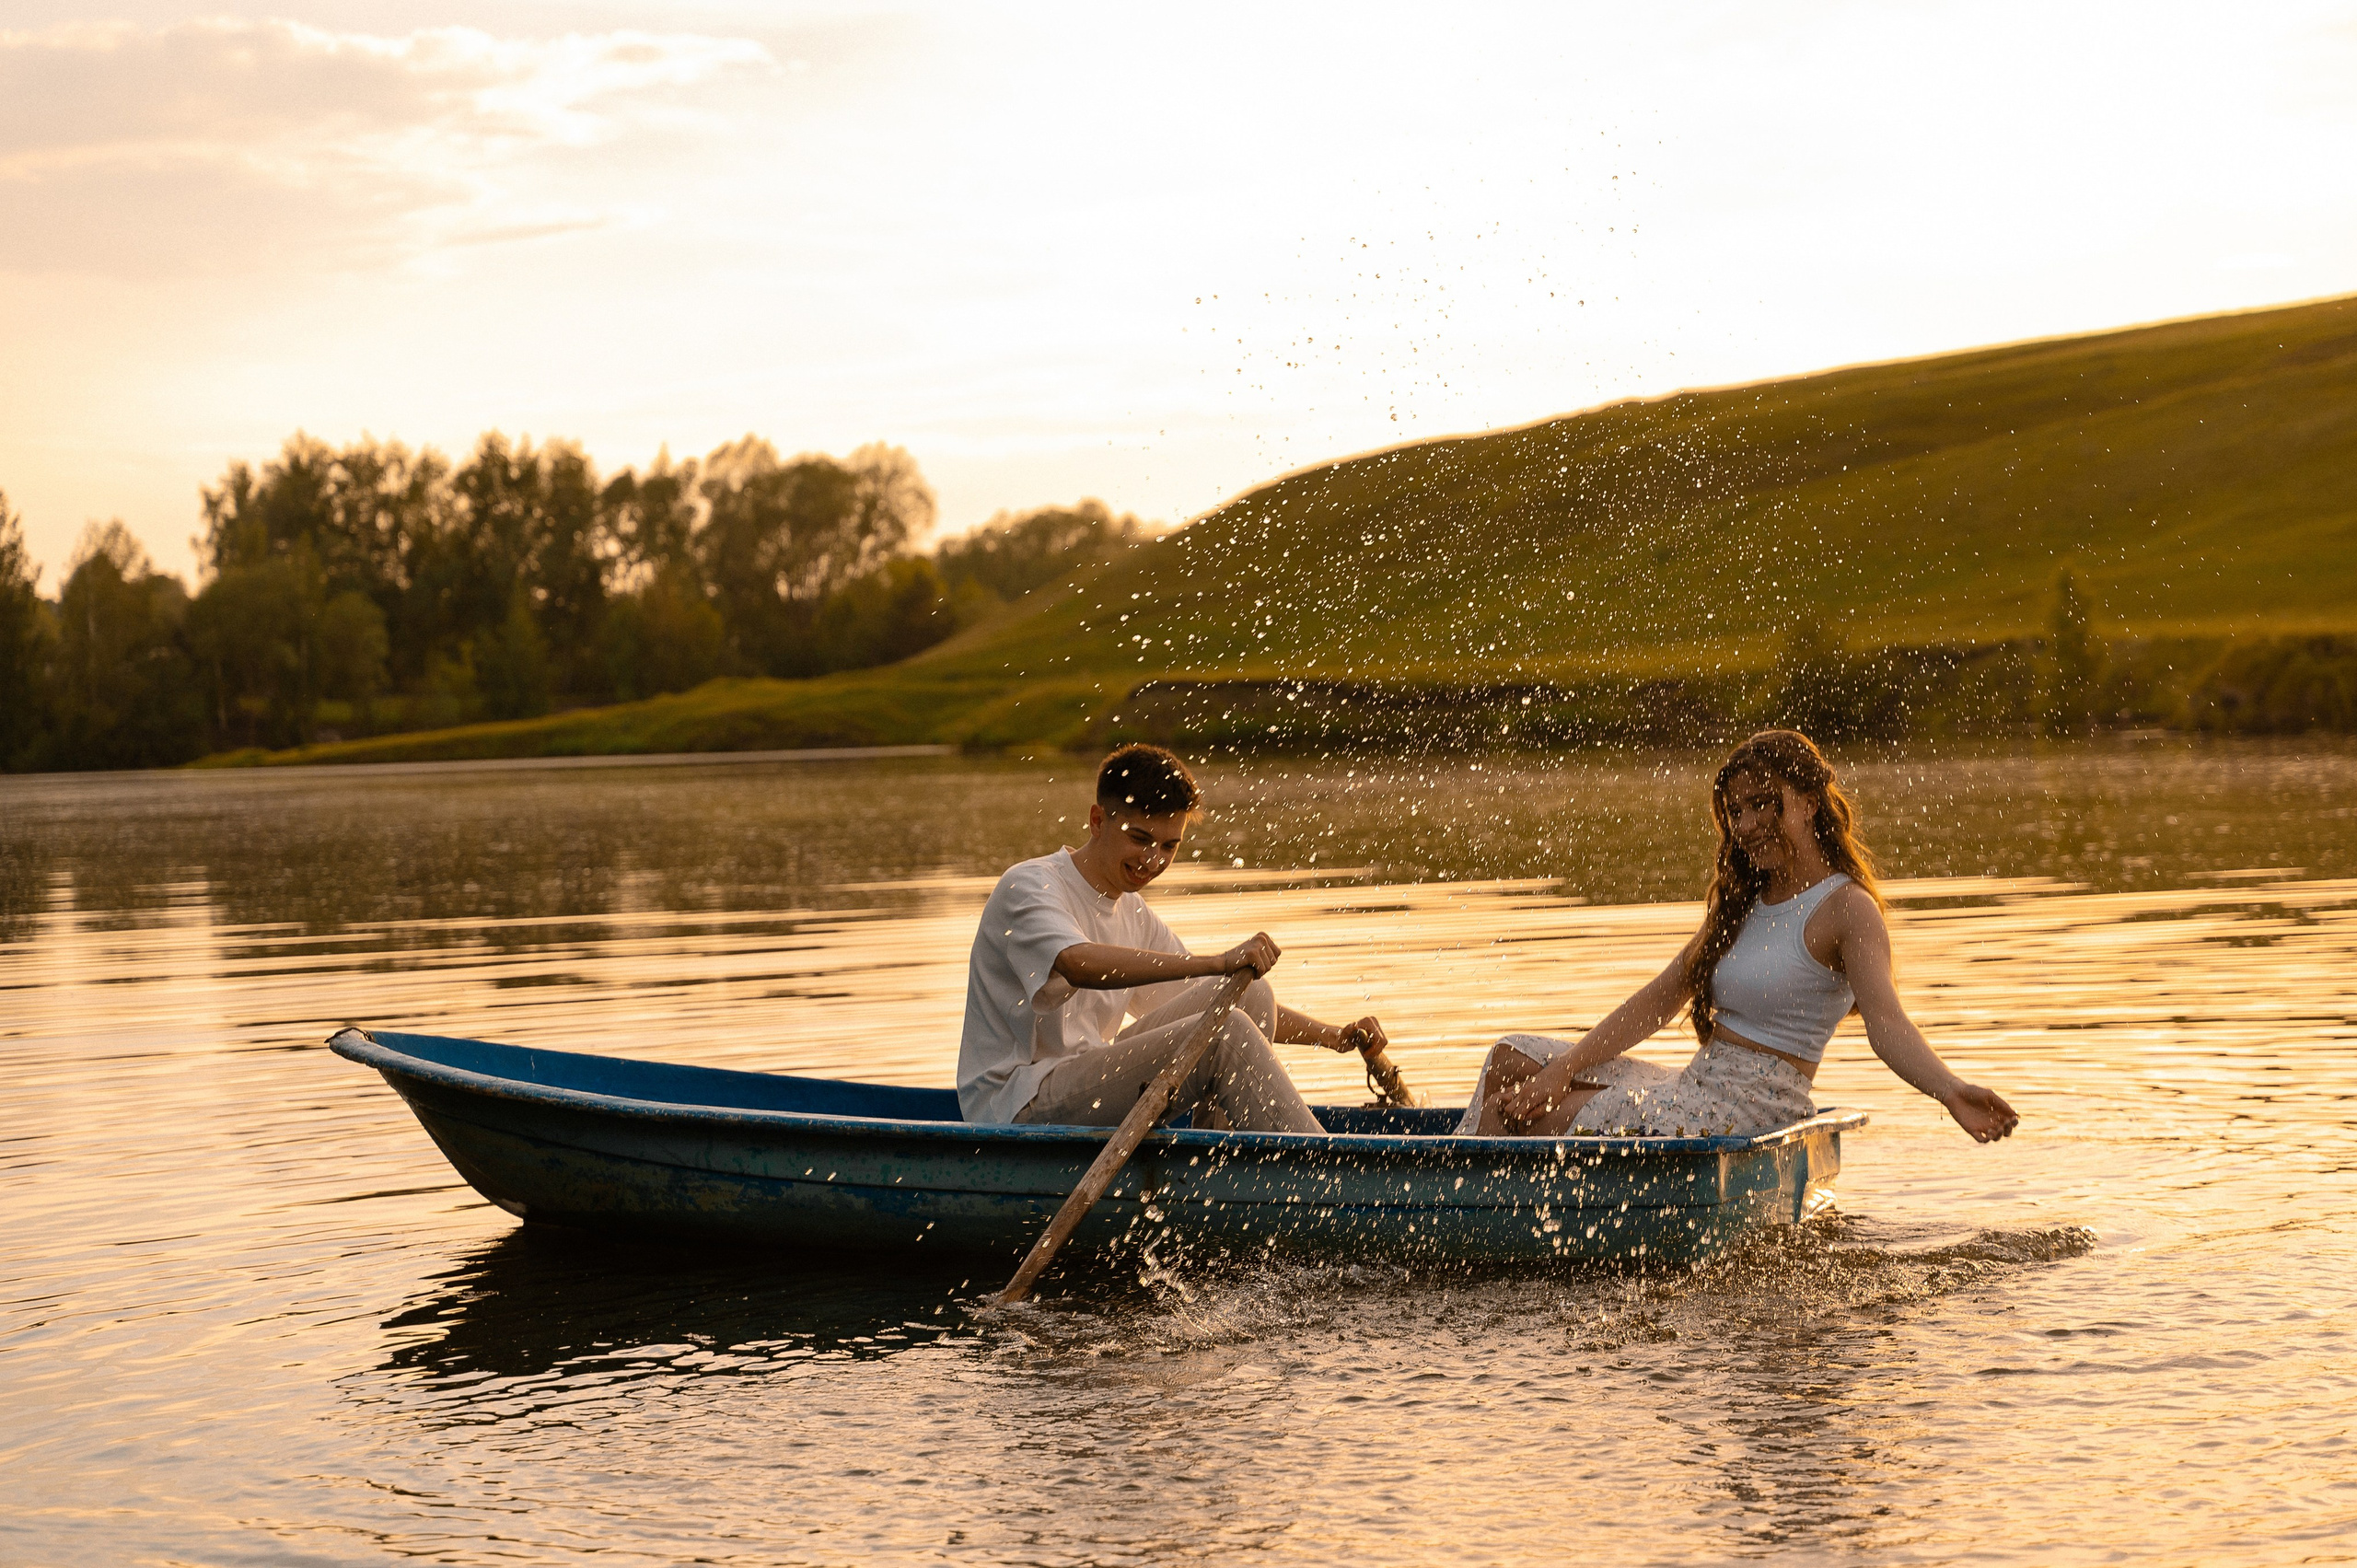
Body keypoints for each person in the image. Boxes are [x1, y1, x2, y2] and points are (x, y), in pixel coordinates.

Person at [1459, 728, 2018, 1144]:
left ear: (1807, 801)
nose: (1746, 826)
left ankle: (1459, 1224)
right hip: (1697, 1087)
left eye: (1761, 805)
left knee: (1534, 1118)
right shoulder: (1743, 900)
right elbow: (1659, 999)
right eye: (1736, 812)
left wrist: (1949, 1089)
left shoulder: (1847, 910)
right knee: (1510, 1058)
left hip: (1749, 1111)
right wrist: (1560, 1072)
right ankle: (1461, 1206)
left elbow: (1888, 1024)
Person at [958, 743, 1388, 1132]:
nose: (1152, 860)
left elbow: (1215, 992)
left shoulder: (1133, 911)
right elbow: (1077, 963)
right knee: (1226, 1034)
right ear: (1097, 820)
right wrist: (1216, 961)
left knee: (1249, 996)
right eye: (1139, 839)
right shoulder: (1030, 885)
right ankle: (1335, 1188)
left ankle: (1214, 1158)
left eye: (1168, 846)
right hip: (1018, 1103)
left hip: (1084, 1078)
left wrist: (1334, 1036)